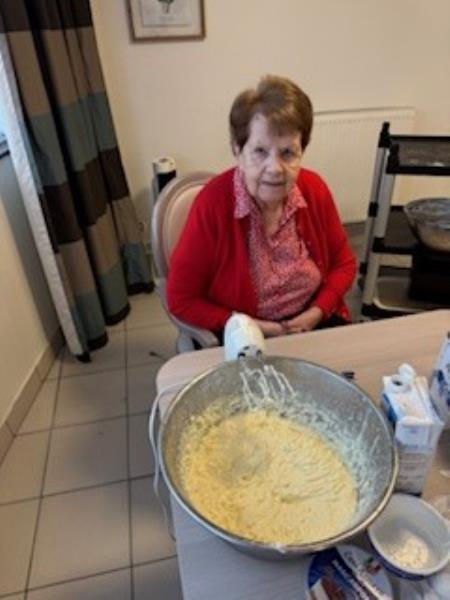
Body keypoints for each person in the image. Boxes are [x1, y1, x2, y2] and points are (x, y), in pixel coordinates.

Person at [167, 75, 357, 339]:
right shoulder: (212, 205)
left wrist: (318, 311)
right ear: (238, 151)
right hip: (244, 333)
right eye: (260, 151)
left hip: (313, 322)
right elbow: (181, 298)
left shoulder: (315, 189)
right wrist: (252, 326)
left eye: (288, 153)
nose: (275, 168)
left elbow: (344, 264)